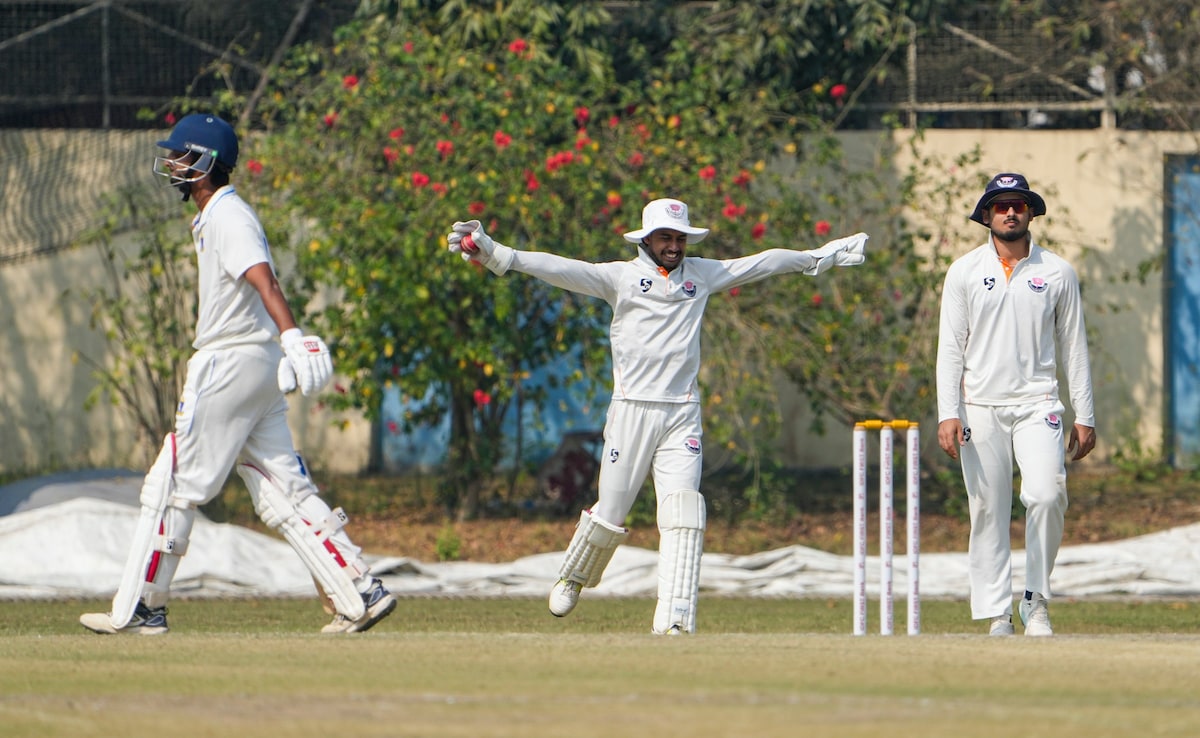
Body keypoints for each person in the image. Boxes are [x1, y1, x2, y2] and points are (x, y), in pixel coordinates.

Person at [447, 198, 868, 634]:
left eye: (679, 237)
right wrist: (497, 254)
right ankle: (574, 577)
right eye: (666, 237)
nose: (674, 245)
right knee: (610, 513)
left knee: (683, 513)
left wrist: (817, 258)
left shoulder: (701, 276)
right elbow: (560, 268)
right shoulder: (621, 277)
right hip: (632, 410)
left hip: (682, 412)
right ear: (646, 238)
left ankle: (675, 620)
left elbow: (761, 262)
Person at [80, 113, 396, 635]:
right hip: (257, 368)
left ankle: (142, 608)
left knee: (172, 484)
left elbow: (263, 280)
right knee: (281, 489)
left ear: (203, 163)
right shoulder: (217, 214)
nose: (173, 163)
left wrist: (293, 336)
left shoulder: (228, 214)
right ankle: (360, 591)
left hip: (227, 363)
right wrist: (283, 345)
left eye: (181, 155)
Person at [935, 172, 1096, 637]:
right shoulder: (964, 271)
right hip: (979, 405)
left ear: (1030, 213)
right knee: (987, 507)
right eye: (1001, 205)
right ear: (986, 215)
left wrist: (1085, 414)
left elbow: (1075, 347)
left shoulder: (1057, 272)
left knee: (1047, 495)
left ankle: (1036, 600)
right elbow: (951, 347)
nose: (1010, 212)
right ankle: (996, 613)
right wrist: (949, 411)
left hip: (1037, 402)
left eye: (1018, 205)